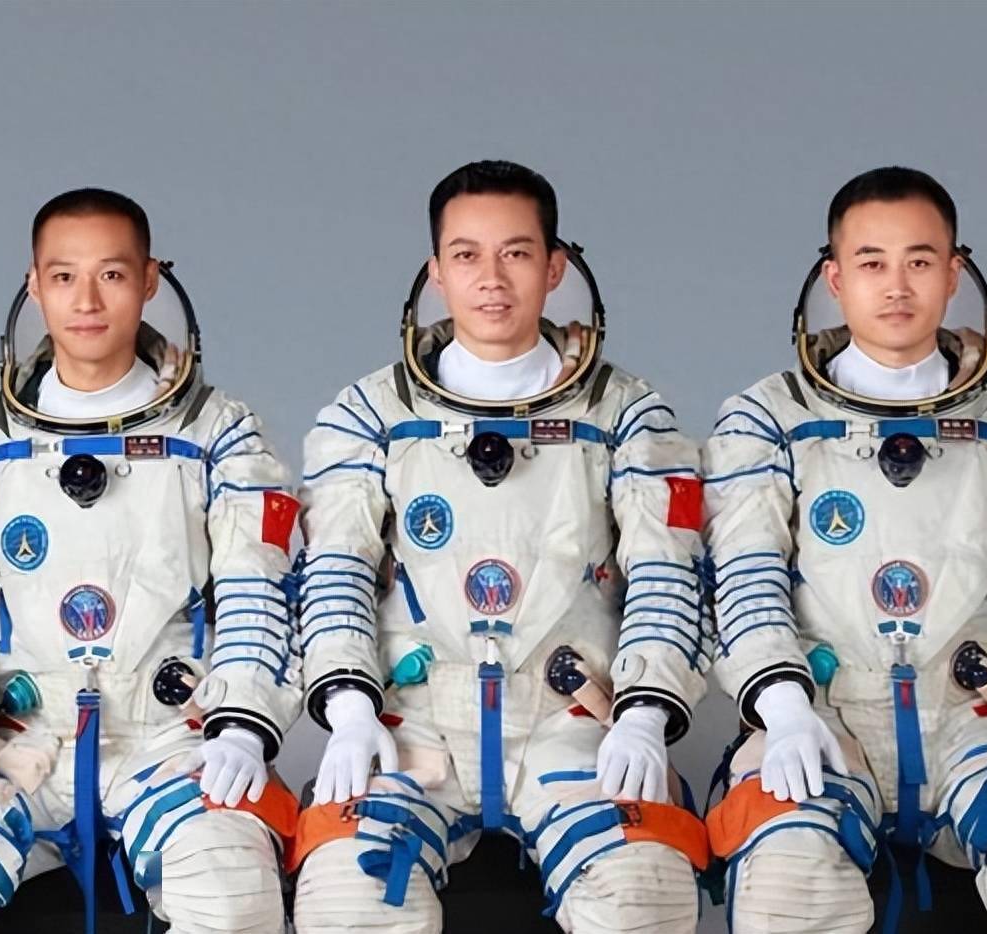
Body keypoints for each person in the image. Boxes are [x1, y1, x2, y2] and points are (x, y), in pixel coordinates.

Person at [702, 166, 987, 933]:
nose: (897, 286)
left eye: (920, 261)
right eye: (872, 262)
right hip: (824, 716)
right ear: (836, 279)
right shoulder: (767, 418)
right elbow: (743, 573)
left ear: (954, 273)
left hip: (976, 712)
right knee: (789, 885)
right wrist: (784, 708)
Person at [0, 188, 301, 934]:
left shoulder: (220, 435)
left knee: (229, 888)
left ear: (150, 281)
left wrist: (242, 726)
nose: (87, 301)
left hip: (175, 736)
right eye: (64, 277)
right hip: (19, 740)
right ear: (34, 285)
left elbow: (260, 588)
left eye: (112, 275)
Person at [289, 160, 711, 933]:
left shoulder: (625, 414)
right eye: (466, 255)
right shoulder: (371, 414)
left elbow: (667, 573)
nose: (491, 278)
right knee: (348, 900)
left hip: (575, 720)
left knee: (643, 897)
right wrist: (350, 707)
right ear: (436, 272)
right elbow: (334, 571)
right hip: (415, 722)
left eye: (516, 253)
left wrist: (645, 712)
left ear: (554, 267)